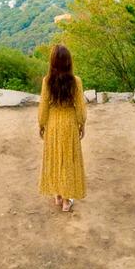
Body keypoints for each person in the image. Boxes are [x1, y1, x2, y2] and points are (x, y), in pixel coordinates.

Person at [38, 42, 86, 212]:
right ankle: (66, 200)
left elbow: (43, 105)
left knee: (55, 157)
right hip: (69, 122)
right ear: (68, 62)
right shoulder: (76, 81)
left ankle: (58, 195)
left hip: (53, 122)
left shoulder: (47, 81)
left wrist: (42, 124)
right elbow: (80, 107)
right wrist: (82, 123)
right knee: (68, 159)